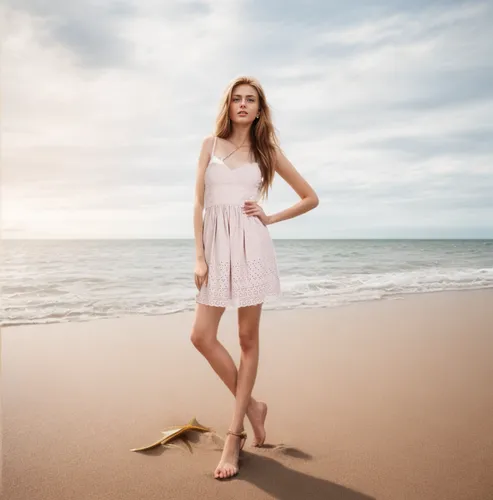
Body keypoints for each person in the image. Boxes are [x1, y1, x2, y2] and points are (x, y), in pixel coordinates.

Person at [191, 76, 319, 480]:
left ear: (260, 109)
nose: (243, 105)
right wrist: (199, 256)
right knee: (201, 336)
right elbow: (198, 203)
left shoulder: (267, 151)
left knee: (247, 339)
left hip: (251, 246)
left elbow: (310, 197)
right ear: (227, 105)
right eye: (236, 99)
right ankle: (253, 405)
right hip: (215, 248)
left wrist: (270, 217)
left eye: (250, 100)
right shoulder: (209, 145)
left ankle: (235, 434)